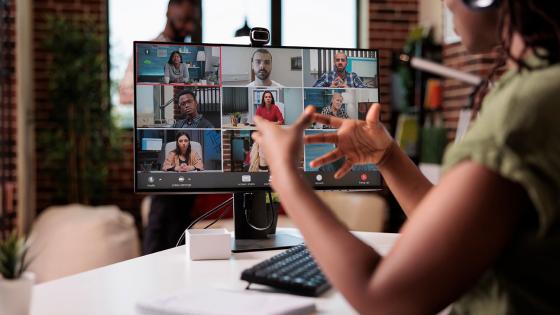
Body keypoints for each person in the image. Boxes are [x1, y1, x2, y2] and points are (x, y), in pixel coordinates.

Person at [251, 0, 560, 313]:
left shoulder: (527, 107)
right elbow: (454, 236)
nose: (447, 2)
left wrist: (286, 175)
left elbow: (382, 297)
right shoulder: (539, 86)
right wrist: (387, 157)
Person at [118, 0, 199, 105]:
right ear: (169, 10)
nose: (190, 27)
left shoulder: (192, 54)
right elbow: (124, 96)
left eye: (194, 22)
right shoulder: (144, 50)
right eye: (185, 19)